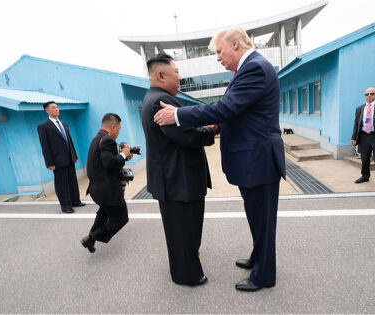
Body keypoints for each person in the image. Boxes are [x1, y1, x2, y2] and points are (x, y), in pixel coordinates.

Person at [154, 27, 286, 292]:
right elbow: (237, 113)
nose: (217, 58)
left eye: (219, 51)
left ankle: (264, 276)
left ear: (235, 45)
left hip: (258, 160)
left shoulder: (255, 68)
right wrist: (214, 128)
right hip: (253, 160)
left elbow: (227, 108)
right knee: (256, 215)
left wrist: (178, 116)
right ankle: (259, 257)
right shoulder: (247, 69)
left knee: (262, 218)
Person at [142, 53, 218, 286]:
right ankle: (187, 275)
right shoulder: (161, 102)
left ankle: (183, 267)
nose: (180, 78)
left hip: (173, 178)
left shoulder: (153, 98)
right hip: (178, 180)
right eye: (176, 73)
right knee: (184, 230)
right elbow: (187, 136)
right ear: (161, 75)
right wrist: (212, 129)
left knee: (180, 229)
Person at [80, 113, 132, 253]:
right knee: (121, 219)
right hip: (108, 191)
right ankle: (91, 237)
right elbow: (109, 163)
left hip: (97, 190)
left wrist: (123, 157)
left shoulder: (96, 139)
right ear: (113, 127)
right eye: (119, 129)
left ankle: (90, 241)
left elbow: (104, 164)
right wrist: (122, 154)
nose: (119, 132)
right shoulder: (108, 140)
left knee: (103, 213)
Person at [37, 101, 85, 213]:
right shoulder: (43, 126)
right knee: (61, 184)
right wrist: (49, 163)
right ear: (47, 110)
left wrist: (74, 155)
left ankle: (75, 201)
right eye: (53, 108)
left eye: (57, 107)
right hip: (57, 160)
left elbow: (69, 140)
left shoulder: (63, 123)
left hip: (69, 157)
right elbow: (44, 146)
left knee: (72, 180)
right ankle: (66, 206)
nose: (56, 109)